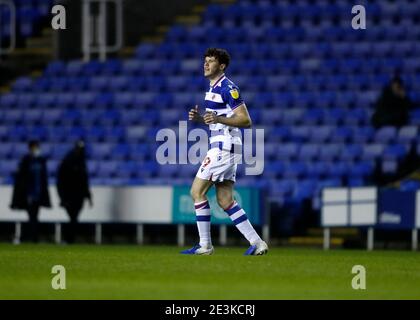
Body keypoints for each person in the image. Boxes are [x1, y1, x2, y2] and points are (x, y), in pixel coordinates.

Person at [182, 48, 268, 256]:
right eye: (205, 61)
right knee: (225, 200)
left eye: (211, 61)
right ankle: (257, 243)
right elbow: (218, 119)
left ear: (221, 66)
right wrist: (201, 119)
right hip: (226, 147)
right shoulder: (214, 87)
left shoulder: (228, 88)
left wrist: (218, 119)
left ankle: (205, 245)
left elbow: (245, 120)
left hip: (224, 147)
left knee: (197, 192)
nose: (206, 64)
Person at [10, 140, 51, 242]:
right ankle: (32, 238)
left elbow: (43, 179)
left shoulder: (41, 161)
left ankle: (30, 237)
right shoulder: (26, 160)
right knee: (32, 217)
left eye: (37, 147)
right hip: (29, 194)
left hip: (38, 194)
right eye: (34, 147)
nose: (36, 149)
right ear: (30, 148)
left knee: (34, 217)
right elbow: (21, 178)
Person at [57, 140, 92, 243]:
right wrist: (62, 196)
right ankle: (69, 238)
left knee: (74, 218)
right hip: (69, 195)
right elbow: (61, 180)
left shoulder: (81, 161)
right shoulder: (68, 160)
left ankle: (69, 239)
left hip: (78, 195)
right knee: (73, 217)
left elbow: (84, 181)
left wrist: (88, 196)